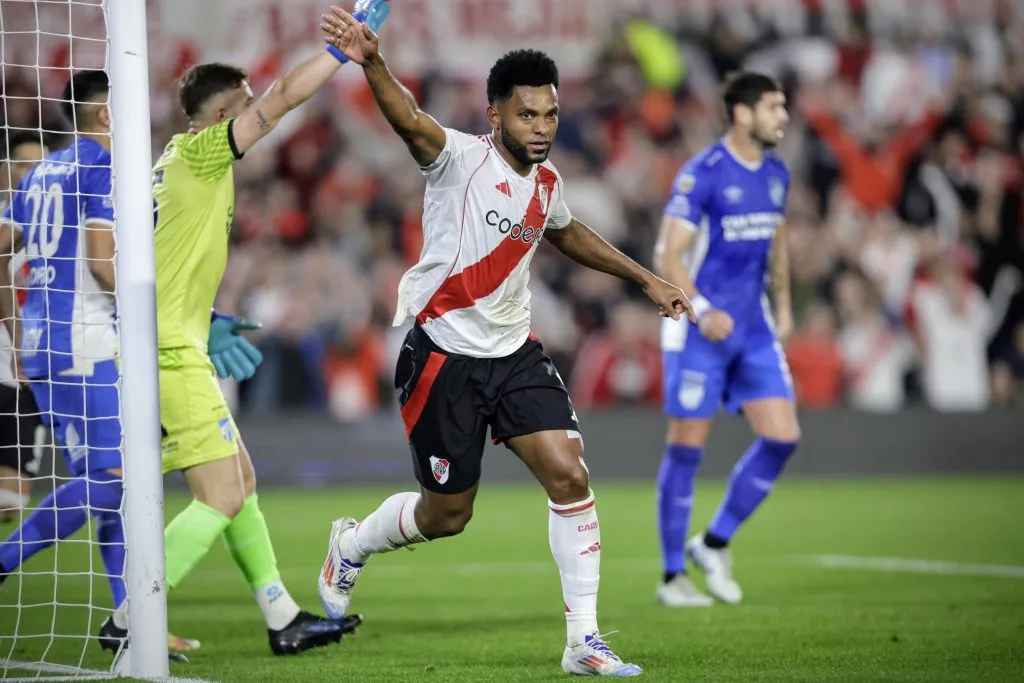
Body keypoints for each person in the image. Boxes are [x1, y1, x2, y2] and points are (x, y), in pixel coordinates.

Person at [316, 8, 694, 677]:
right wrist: (373, 61)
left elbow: (568, 232)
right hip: (443, 359)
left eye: (549, 115)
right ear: (496, 115)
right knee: (446, 515)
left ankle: (583, 640)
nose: (542, 128)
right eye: (527, 115)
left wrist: (645, 279)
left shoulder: (547, 185)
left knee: (570, 474)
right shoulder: (457, 159)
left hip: (514, 353)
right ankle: (352, 543)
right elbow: (408, 118)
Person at [146, 34, 365, 655]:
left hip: (174, 339)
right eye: (244, 106)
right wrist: (341, 54)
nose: (257, 116)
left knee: (240, 480)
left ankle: (281, 616)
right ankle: (136, 610)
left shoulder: (171, 161)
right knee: (220, 494)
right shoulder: (206, 154)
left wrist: (208, 313)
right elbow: (286, 94)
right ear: (221, 117)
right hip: (169, 351)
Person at [652, 71, 800, 608]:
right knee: (687, 449)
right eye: (773, 106)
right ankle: (672, 577)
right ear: (742, 113)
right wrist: (703, 309)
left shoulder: (778, 174)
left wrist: (782, 306)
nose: (782, 116)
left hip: (754, 330)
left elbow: (776, 246)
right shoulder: (705, 175)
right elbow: (667, 256)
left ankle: (712, 544)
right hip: (699, 329)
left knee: (782, 438)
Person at [0, 132, 49, 521]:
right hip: (9, 363)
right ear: (6, 171)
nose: (32, 173)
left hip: (25, 379)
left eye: (40, 165)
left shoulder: (60, 230)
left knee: (12, 504)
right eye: (23, 165)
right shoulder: (7, 231)